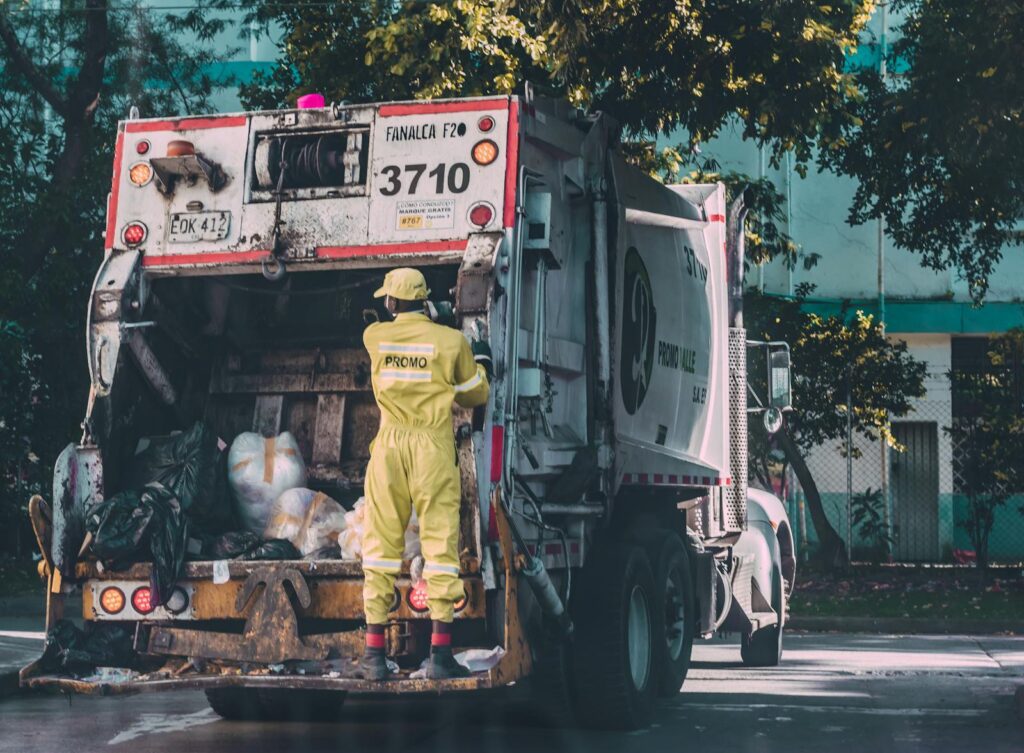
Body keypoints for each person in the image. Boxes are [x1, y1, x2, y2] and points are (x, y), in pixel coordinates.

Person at [359, 267, 491, 680]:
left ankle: (375, 657)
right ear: (427, 300)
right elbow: (477, 392)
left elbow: (389, 334)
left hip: (390, 446)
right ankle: (440, 654)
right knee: (439, 547)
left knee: (380, 548)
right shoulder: (450, 342)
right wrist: (480, 357)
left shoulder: (375, 337)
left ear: (392, 304)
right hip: (432, 447)